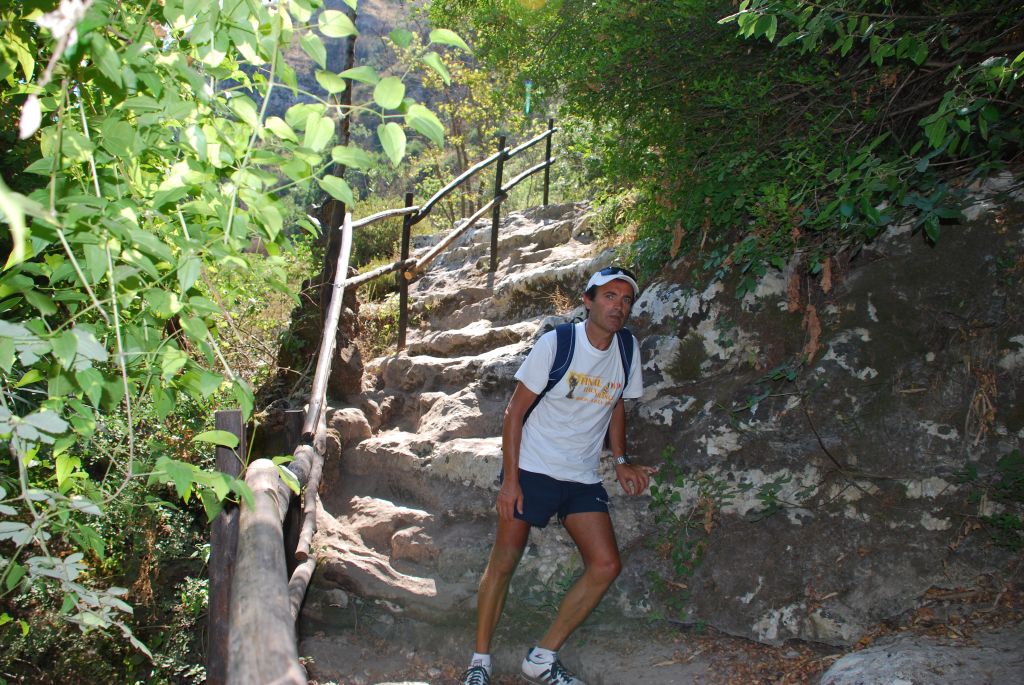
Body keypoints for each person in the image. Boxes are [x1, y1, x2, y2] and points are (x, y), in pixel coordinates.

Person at [461, 266, 654, 685]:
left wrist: (620, 461)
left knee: (605, 565)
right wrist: (510, 481)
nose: (618, 306)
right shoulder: (557, 343)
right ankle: (479, 661)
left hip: (582, 475)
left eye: (625, 299)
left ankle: (542, 658)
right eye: (609, 296)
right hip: (532, 468)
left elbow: (616, 402)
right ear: (588, 301)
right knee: (504, 563)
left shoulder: (626, 348)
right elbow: (514, 413)